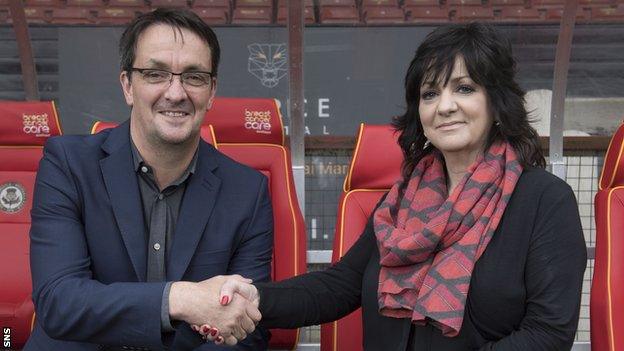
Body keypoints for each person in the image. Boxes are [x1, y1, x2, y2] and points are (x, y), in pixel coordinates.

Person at [201, 23, 588, 350]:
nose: (445, 106)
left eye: (464, 88)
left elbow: (548, 333)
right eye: (430, 93)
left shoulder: (544, 199)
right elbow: (339, 286)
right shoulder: (402, 199)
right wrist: (255, 298)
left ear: (497, 102)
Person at [26, 8, 272, 351]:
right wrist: (180, 298)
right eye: (156, 74)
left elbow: (247, 329)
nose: (175, 93)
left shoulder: (248, 191)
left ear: (212, 91)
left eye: (194, 76)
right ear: (128, 85)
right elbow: (60, 301)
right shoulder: (67, 164)